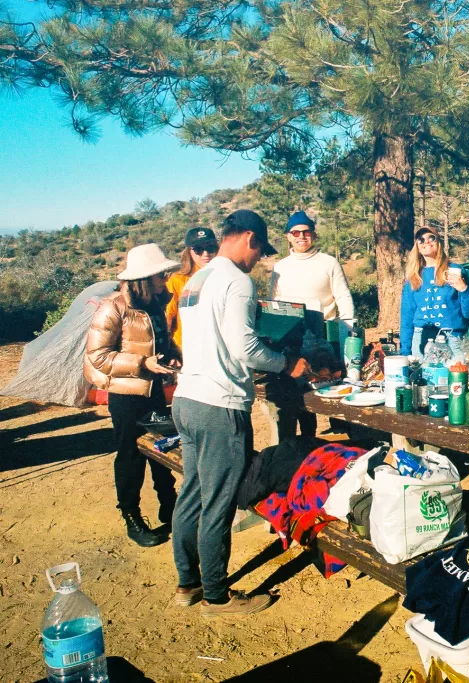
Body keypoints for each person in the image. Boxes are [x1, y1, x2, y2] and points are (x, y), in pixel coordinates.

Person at [171, 209, 311, 617]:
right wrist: (287, 364)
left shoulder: (196, 279)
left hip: (187, 399)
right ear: (248, 238)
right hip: (218, 405)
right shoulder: (236, 280)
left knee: (193, 494)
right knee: (219, 501)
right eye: (259, 251)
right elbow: (243, 347)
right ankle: (215, 595)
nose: (258, 260)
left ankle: (188, 583)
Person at [84, 243, 181, 548]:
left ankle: (170, 505)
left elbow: (159, 345)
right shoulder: (113, 309)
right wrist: (142, 364)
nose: (165, 278)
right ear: (144, 278)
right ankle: (131, 516)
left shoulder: (153, 306)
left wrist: (172, 356)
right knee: (130, 455)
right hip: (126, 396)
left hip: (153, 391)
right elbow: (98, 355)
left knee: (162, 449)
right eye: (159, 274)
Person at [269, 210, 355, 437]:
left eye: (306, 232)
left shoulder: (329, 262)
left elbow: (344, 297)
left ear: (313, 235)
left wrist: (347, 332)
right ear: (288, 236)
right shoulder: (280, 267)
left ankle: (339, 435)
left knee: (328, 387)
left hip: (324, 335)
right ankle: (297, 442)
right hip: (290, 339)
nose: (301, 236)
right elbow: (273, 303)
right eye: (295, 232)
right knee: (295, 394)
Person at [399, 225, 469, 361]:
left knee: (455, 381)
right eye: (421, 239)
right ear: (417, 247)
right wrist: (405, 352)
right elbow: (406, 317)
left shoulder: (455, 270)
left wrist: (464, 290)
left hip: (452, 339)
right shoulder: (413, 276)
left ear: (439, 243)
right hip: (420, 339)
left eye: (432, 238)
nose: (427, 242)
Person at [165, 226, 218, 356]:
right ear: (189, 251)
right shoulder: (177, 280)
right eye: (199, 249)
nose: (206, 254)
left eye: (210, 248)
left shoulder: (223, 276)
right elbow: (167, 318)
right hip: (185, 350)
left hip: (215, 348)